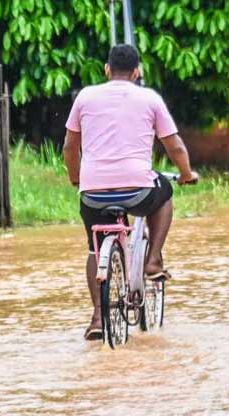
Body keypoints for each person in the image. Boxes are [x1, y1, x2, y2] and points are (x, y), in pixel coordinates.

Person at [63, 44, 199, 341]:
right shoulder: (149, 98)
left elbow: (70, 148)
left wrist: (76, 178)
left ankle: (98, 317)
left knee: (94, 248)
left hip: (93, 192)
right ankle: (153, 259)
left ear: (106, 69)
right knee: (163, 193)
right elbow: (174, 145)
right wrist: (187, 175)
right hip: (138, 189)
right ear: (137, 72)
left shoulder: (85, 96)